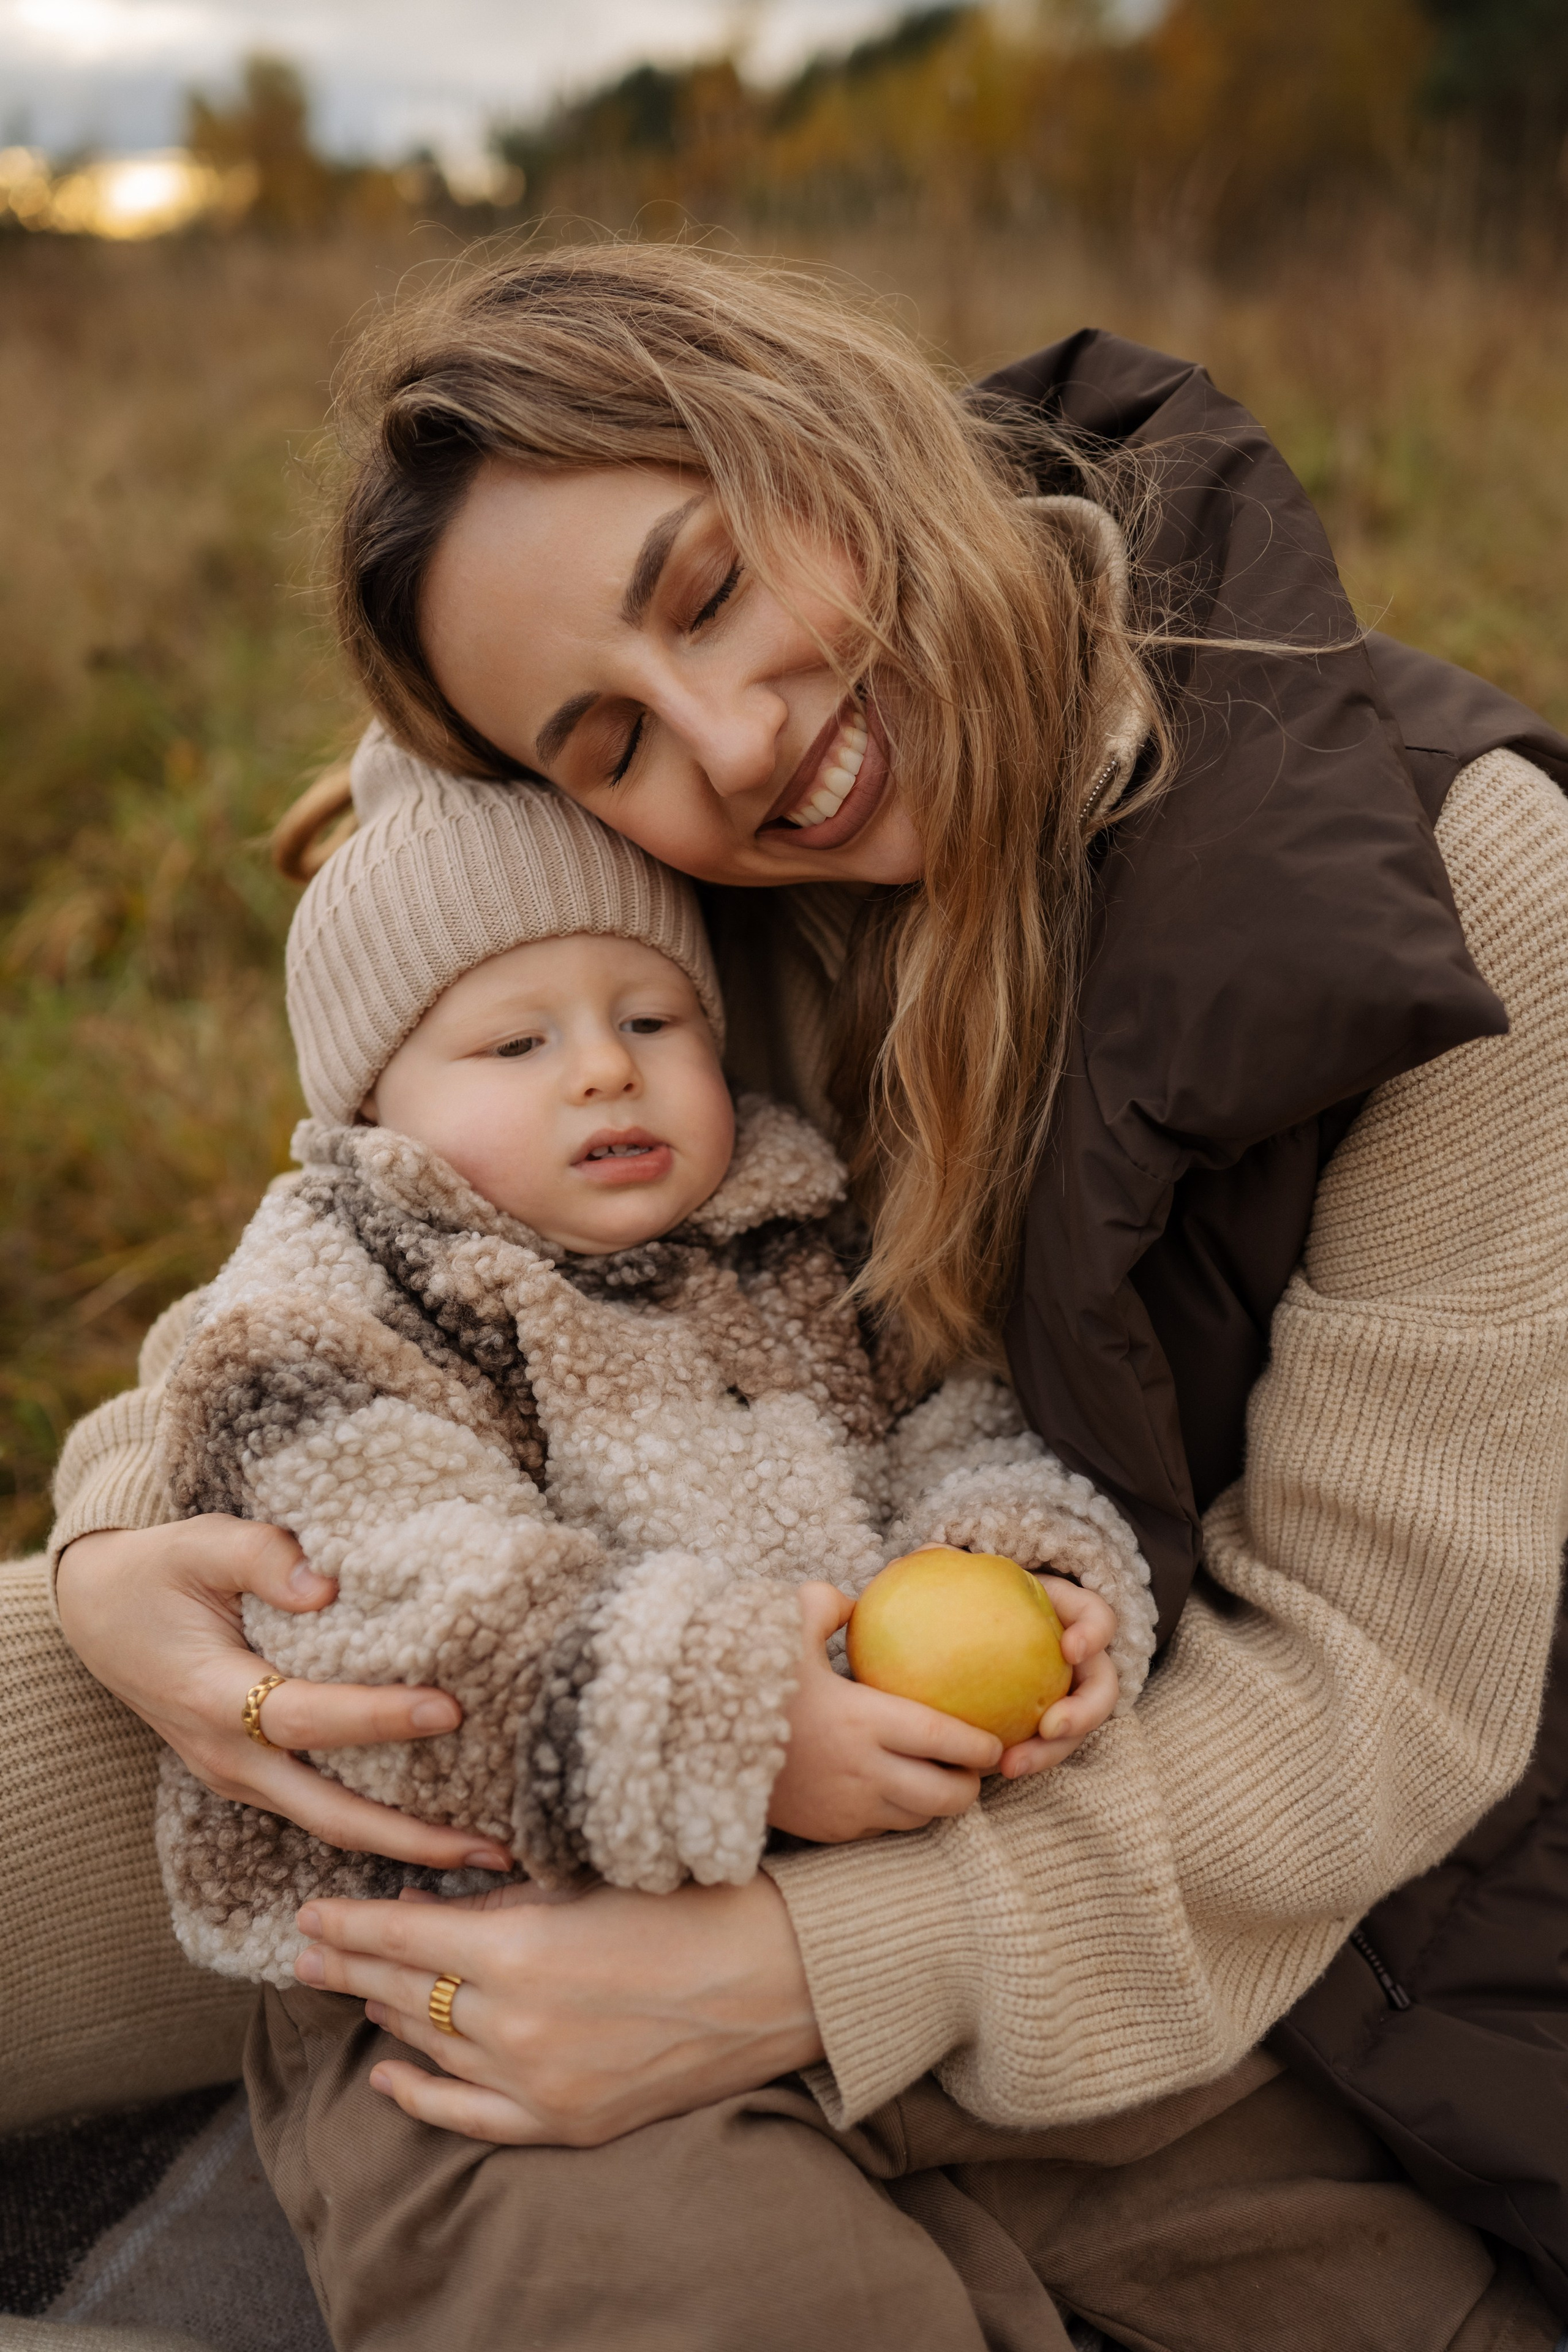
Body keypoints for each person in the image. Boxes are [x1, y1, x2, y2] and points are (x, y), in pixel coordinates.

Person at [48, 244, 1568, 2350]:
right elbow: (357, 1238)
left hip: (1188, 1840)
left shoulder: (1469, 884)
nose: (739, 739)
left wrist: (794, 1967)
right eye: (610, 742)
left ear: (836, 429)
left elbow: (1383, 1696)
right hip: (605, 1708)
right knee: (91, 1686)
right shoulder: (675, 886)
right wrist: (123, 1533)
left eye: (709, 588)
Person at [154, 742, 1139, 1988]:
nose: (605, 1067)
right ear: (369, 1111)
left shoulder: (789, 1231)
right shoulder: (329, 1312)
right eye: (515, 1045)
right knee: (630, 2186)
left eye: (649, 1018)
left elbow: (953, 1411)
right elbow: (401, 1605)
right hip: (471, 1945)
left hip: (831, 1892)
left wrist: (1020, 1564)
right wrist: (735, 1733)